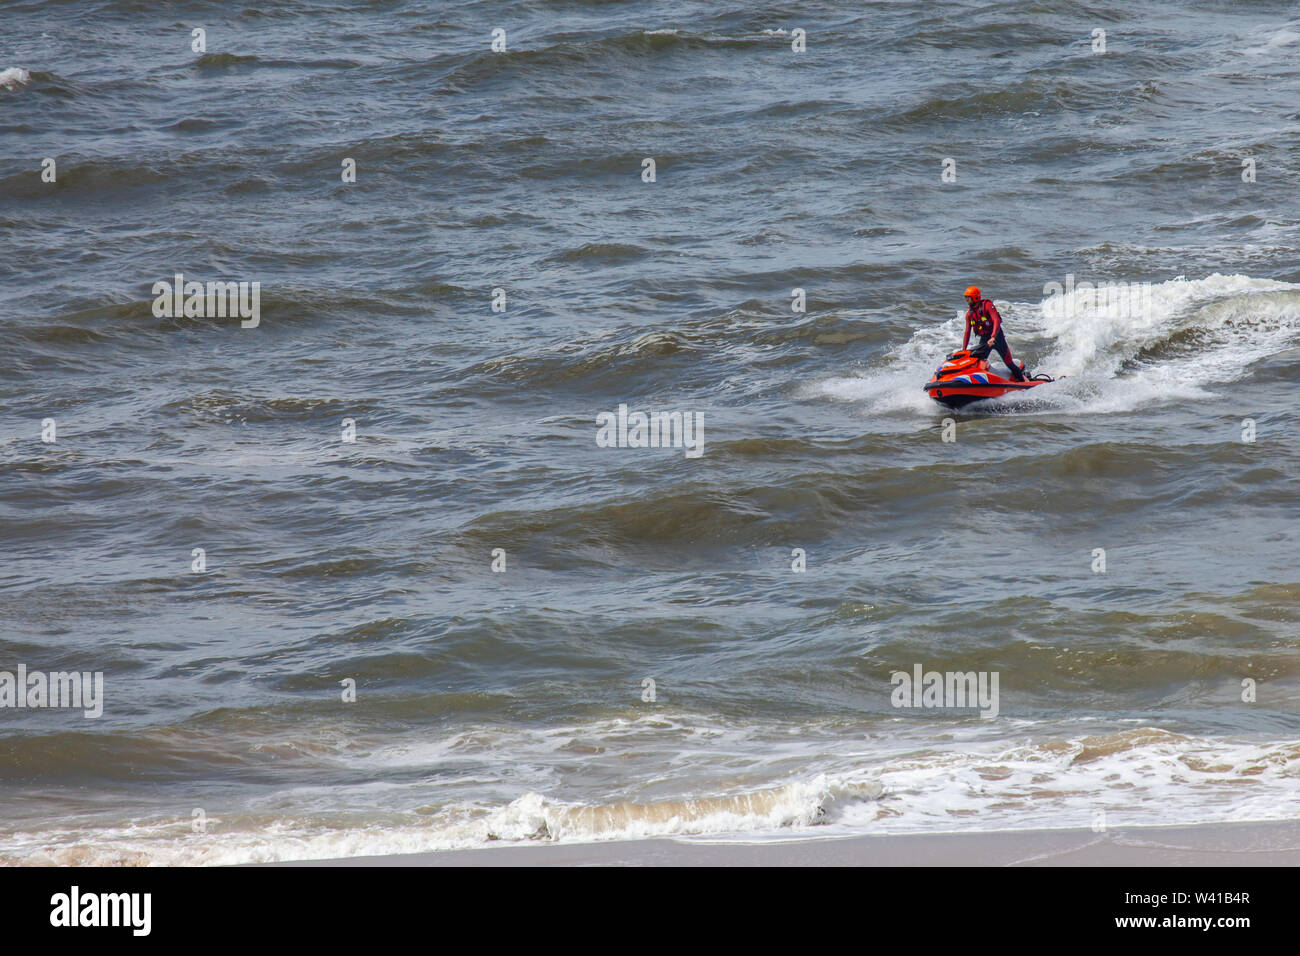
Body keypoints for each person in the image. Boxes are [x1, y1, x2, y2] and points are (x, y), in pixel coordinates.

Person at [961, 285, 1026, 382]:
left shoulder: (987, 305)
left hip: (996, 338)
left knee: (1009, 363)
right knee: (977, 362)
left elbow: (996, 320)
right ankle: (978, 382)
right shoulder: (969, 314)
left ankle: (1023, 382)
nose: (966, 300)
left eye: (968, 298)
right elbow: (967, 332)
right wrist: (964, 349)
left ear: (975, 297)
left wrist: (993, 337)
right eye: (966, 298)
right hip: (984, 339)